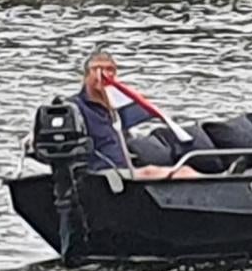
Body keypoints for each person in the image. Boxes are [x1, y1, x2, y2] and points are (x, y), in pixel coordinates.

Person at [73, 50, 198, 180]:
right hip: (100, 173)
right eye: (97, 69)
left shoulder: (118, 106)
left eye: (109, 69)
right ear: (86, 76)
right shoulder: (76, 107)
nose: (103, 74)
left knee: (184, 169)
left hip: (125, 170)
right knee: (181, 173)